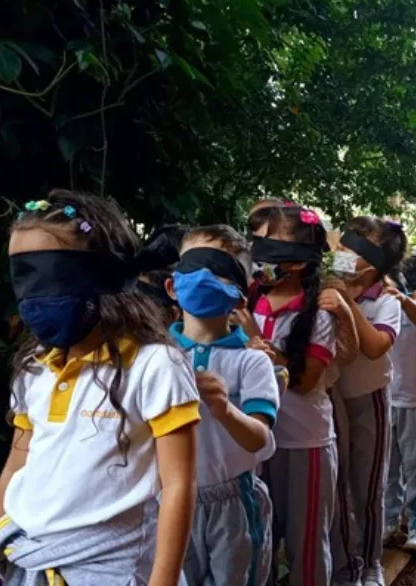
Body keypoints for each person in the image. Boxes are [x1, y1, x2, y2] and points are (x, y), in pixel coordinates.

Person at [0, 191, 199, 585]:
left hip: (113, 570)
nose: (35, 297)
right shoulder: (35, 367)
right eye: (24, 277)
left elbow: (178, 485)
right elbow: (18, 465)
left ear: (101, 274)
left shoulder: (156, 365)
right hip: (28, 561)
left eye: (50, 275)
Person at [168, 225, 281, 586]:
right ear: (171, 286)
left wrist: (223, 408)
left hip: (235, 501)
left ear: (240, 298)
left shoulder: (252, 362)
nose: (204, 276)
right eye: (194, 265)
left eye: (218, 269)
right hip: (169, 499)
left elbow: (259, 438)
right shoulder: (157, 357)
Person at [247, 203, 338, 586]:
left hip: (303, 442)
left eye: (268, 248)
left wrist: (253, 335)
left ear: (298, 262)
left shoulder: (318, 313)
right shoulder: (252, 300)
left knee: (306, 545)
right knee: (261, 542)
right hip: (255, 442)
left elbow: (304, 381)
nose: (256, 257)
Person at [332, 216, 405, 586]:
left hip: (368, 398)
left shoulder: (386, 301)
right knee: (336, 487)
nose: (340, 251)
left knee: (367, 485)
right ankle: (346, 563)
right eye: (342, 244)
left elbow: (376, 346)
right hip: (330, 398)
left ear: (374, 263)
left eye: (351, 247)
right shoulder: (324, 288)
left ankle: (372, 561)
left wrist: (346, 300)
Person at [383, 256, 416, 552]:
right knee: (388, 468)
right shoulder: (377, 306)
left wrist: (402, 299)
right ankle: (390, 520)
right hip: (386, 397)